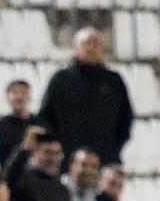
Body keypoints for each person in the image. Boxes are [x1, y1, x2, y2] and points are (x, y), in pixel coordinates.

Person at [36, 29, 132, 167]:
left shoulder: (114, 81)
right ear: (76, 48)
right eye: (85, 43)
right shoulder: (61, 80)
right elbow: (46, 117)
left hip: (105, 160)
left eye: (95, 43)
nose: (90, 48)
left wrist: (113, 149)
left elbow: (125, 119)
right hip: (67, 162)